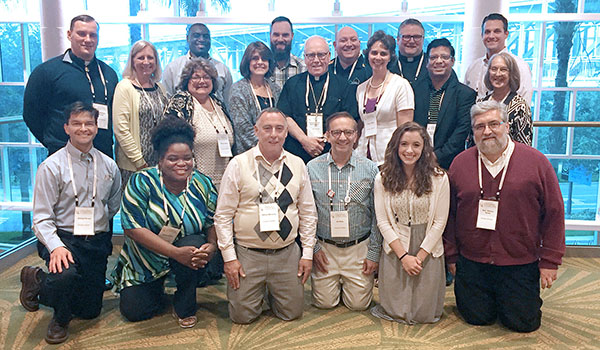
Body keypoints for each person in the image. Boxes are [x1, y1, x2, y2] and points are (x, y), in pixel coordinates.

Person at [444, 100, 565, 332]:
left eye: (493, 124)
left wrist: (550, 261)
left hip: (519, 260)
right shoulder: (460, 164)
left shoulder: (536, 162)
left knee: (522, 323)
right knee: (476, 317)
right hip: (472, 260)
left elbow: (554, 212)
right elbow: (449, 215)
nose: (487, 131)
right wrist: (451, 256)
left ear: (507, 126)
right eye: (479, 126)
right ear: (473, 130)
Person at [19, 102, 121, 344]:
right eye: (76, 123)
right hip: (63, 238)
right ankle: (60, 319)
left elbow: (113, 205)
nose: (83, 128)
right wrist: (56, 246)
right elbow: (41, 218)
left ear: (97, 127)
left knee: (89, 311)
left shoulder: (109, 165)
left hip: (95, 240)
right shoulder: (51, 166)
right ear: (66, 128)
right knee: (65, 277)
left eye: (89, 123)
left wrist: (97, 228)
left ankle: (37, 281)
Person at [111, 117, 219, 328]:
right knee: (136, 311)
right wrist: (174, 253)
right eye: (172, 159)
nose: (181, 164)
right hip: (146, 258)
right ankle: (155, 288)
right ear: (160, 160)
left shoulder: (202, 183)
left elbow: (211, 222)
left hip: (187, 255)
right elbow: (132, 228)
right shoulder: (141, 181)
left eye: (187, 158)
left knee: (196, 241)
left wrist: (212, 245)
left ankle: (184, 302)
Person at [214, 108, 317, 324]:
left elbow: (308, 213)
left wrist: (307, 253)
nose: (274, 134)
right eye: (267, 128)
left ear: (286, 132)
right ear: (256, 130)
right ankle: (259, 291)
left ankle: (270, 290)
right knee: (242, 317)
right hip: (248, 254)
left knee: (292, 313)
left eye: (279, 129)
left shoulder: (297, 164)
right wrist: (230, 259)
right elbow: (222, 216)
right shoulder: (238, 164)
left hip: (286, 253)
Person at [371, 122, 448, 324]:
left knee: (424, 312)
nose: (409, 150)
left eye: (416, 145)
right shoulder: (382, 178)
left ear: (424, 149)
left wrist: (418, 258)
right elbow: (383, 221)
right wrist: (404, 256)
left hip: (427, 245)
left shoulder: (439, 178)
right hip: (397, 243)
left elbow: (439, 223)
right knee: (395, 308)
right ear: (395, 147)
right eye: (404, 144)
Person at [307, 112, 381, 311]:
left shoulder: (370, 169)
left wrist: (373, 253)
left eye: (348, 132)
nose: (342, 138)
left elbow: (377, 216)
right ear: (327, 135)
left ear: (356, 135)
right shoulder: (311, 168)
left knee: (358, 305)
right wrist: (313, 248)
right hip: (325, 247)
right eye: (336, 132)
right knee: (324, 303)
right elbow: (306, 214)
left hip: (358, 248)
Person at [23, 14, 118, 158]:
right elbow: (31, 115)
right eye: (81, 34)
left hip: (102, 155)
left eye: (93, 35)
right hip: (63, 155)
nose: (88, 39)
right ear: (69, 35)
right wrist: (54, 142)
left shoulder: (109, 73)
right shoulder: (47, 72)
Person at [278, 35, 358, 163]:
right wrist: (304, 140)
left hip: (332, 154)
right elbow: (284, 116)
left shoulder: (344, 86)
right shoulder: (292, 84)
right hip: (296, 155)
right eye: (311, 55)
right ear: (304, 58)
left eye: (321, 55)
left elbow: (349, 120)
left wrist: (323, 140)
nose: (316, 60)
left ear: (329, 56)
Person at [164, 58, 234, 188]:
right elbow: (168, 143)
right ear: (187, 81)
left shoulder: (219, 104)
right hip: (192, 185)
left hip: (223, 184)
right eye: (196, 77)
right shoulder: (181, 102)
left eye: (206, 77)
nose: (202, 81)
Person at [412, 38, 476, 170]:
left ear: (452, 61)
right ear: (427, 62)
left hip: (450, 164)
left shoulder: (465, 94)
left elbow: (461, 132)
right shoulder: (415, 90)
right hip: (415, 160)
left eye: (444, 57)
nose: (439, 61)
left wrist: (435, 157)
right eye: (433, 57)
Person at [113, 40, 168, 187]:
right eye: (141, 57)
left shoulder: (160, 88)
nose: (146, 62)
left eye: (150, 57)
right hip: (134, 166)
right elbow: (121, 129)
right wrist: (139, 162)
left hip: (160, 164)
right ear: (132, 61)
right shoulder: (124, 87)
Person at [356, 30, 415, 166]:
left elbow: (405, 129)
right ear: (368, 55)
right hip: (364, 155)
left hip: (390, 157)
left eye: (383, 54)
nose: (378, 57)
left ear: (390, 57)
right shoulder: (361, 89)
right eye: (374, 53)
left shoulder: (400, 85)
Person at [464, 13, 533, 105]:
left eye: (497, 31)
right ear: (482, 35)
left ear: (506, 34)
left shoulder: (520, 66)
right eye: (487, 32)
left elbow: (524, 103)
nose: (491, 36)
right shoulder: (473, 68)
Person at [228, 41, 281, 154]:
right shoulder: (238, 89)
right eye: (255, 58)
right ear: (247, 62)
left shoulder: (275, 89)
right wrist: (268, 147)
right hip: (249, 154)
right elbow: (243, 129)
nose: (260, 62)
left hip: (275, 152)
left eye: (264, 59)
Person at [162, 23, 233, 103]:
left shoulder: (223, 69)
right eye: (196, 35)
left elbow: (228, 103)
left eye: (206, 36)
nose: (201, 39)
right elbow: (166, 103)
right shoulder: (172, 68)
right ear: (187, 38)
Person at [475, 52, 532, 145]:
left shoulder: (520, 106)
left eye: (503, 69)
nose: (498, 74)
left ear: (512, 74)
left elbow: (525, 146)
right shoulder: (481, 103)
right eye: (494, 69)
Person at [269, 16, 306, 89]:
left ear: (292, 36)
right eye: (276, 35)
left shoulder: (303, 68)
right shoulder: (261, 68)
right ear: (270, 35)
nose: (280, 39)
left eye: (285, 35)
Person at [390, 18, 428, 85]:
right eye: (407, 37)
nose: (411, 41)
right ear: (398, 40)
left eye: (417, 37)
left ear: (423, 39)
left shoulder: (432, 65)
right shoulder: (388, 65)